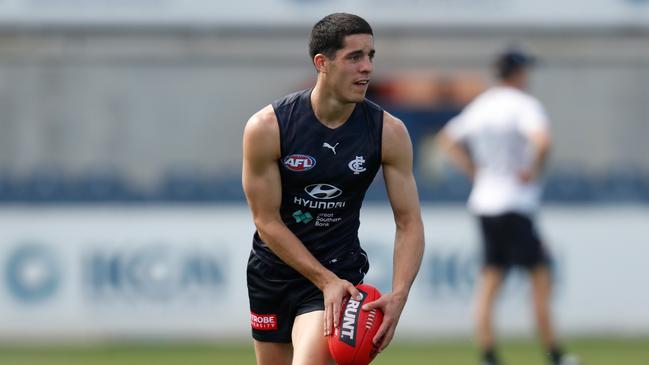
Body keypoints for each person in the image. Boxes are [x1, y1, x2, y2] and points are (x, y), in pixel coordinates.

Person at [241, 13, 425, 365]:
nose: (367, 68)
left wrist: (399, 294)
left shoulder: (389, 132)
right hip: (273, 274)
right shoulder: (267, 127)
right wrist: (322, 279)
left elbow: (409, 221)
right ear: (321, 63)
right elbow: (266, 221)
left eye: (371, 56)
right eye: (354, 57)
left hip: (340, 277)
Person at [435, 48, 580, 365]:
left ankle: (488, 354)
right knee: (540, 278)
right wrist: (532, 168)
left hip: (485, 203)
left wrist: (474, 171)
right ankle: (555, 354)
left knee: (489, 280)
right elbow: (542, 141)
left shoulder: (482, 106)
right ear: (518, 74)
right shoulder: (525, 105)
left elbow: (446, 139)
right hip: (515, 203)